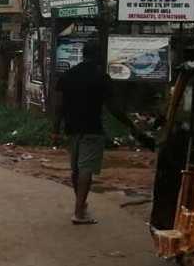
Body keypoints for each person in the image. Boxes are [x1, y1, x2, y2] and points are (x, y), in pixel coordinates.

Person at [52, 41, 150, 225]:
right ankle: (79, 212)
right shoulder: (101, 77)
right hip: (92, 128)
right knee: (86, 170)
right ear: (98, 57)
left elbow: (59, 106)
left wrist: (55, 130)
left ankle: (81, 205)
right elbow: (113, 107)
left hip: (72, 129)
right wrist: (131, 126)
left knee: (76, 169)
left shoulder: (68, 75)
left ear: (83, 55)